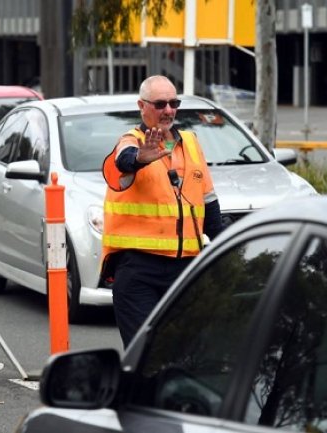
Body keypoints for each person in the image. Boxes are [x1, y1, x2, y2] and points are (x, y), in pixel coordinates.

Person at [101, 75, 224, 348]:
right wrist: (138, 159)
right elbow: (122, 162)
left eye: (173, 103)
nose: (168, 110)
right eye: (159, 104)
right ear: (141, 106)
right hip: (139, 270)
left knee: (187, 351)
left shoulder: (190, 143)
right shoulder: (130, 141)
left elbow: (210, 206)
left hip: (184, 269)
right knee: (145, 353)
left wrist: (233, 251)